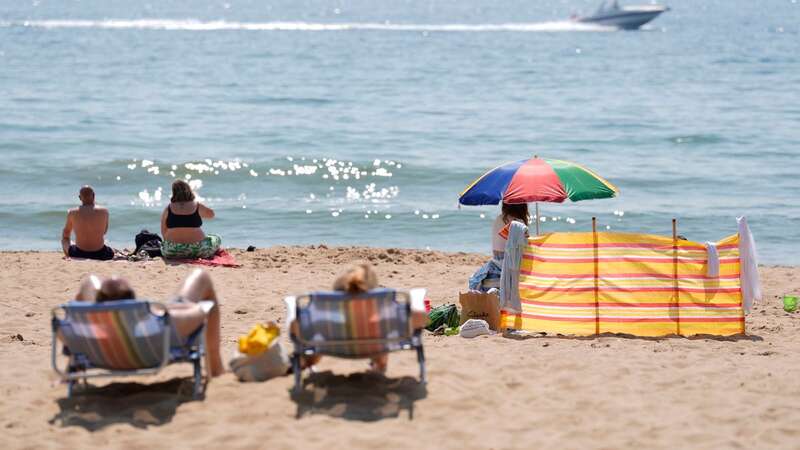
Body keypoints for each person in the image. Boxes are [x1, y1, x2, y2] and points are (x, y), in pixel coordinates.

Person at [73, 269, 225, 377]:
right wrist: (166, 310)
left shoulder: (84, 335)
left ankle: (72, 370)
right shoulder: (166, 322)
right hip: (154, 347)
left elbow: (67, 339)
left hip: (105, 351)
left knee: (90, 280)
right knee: (200, 275)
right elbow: (201, 312)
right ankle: (216, 367)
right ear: (133, 301)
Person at [294, 262, 427, 374]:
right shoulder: (384, 320)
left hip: (335, 347)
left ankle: (309, 364)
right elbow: (421, 319)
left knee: (318, 335)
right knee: (379, 333)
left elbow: (295, 329)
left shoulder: (325, 322)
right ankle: (380, 365)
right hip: (374, 346)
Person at [469, 202, 530, 292]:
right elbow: (525, 250)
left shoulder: (499, 218)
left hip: (494, 266)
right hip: (508, 269)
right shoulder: (519, 224)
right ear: (523, 207)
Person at [160, 179, 220, 259]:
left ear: (173, 192)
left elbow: (163, 231)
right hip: (198, 250)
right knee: (216, 238)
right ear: (189, 190)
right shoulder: (196, 205)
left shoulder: (168, 208)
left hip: (172, 251)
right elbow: (211, 215)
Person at [61, 185, 114, 260]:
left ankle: (69, 256)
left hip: (79, 253)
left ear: (80, 197)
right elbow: (104, 232)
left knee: (64, 240)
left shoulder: (72, 212)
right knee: (109, 250)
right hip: (101, 253)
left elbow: (66, 233)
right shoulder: (104, 211)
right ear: (94, 195)